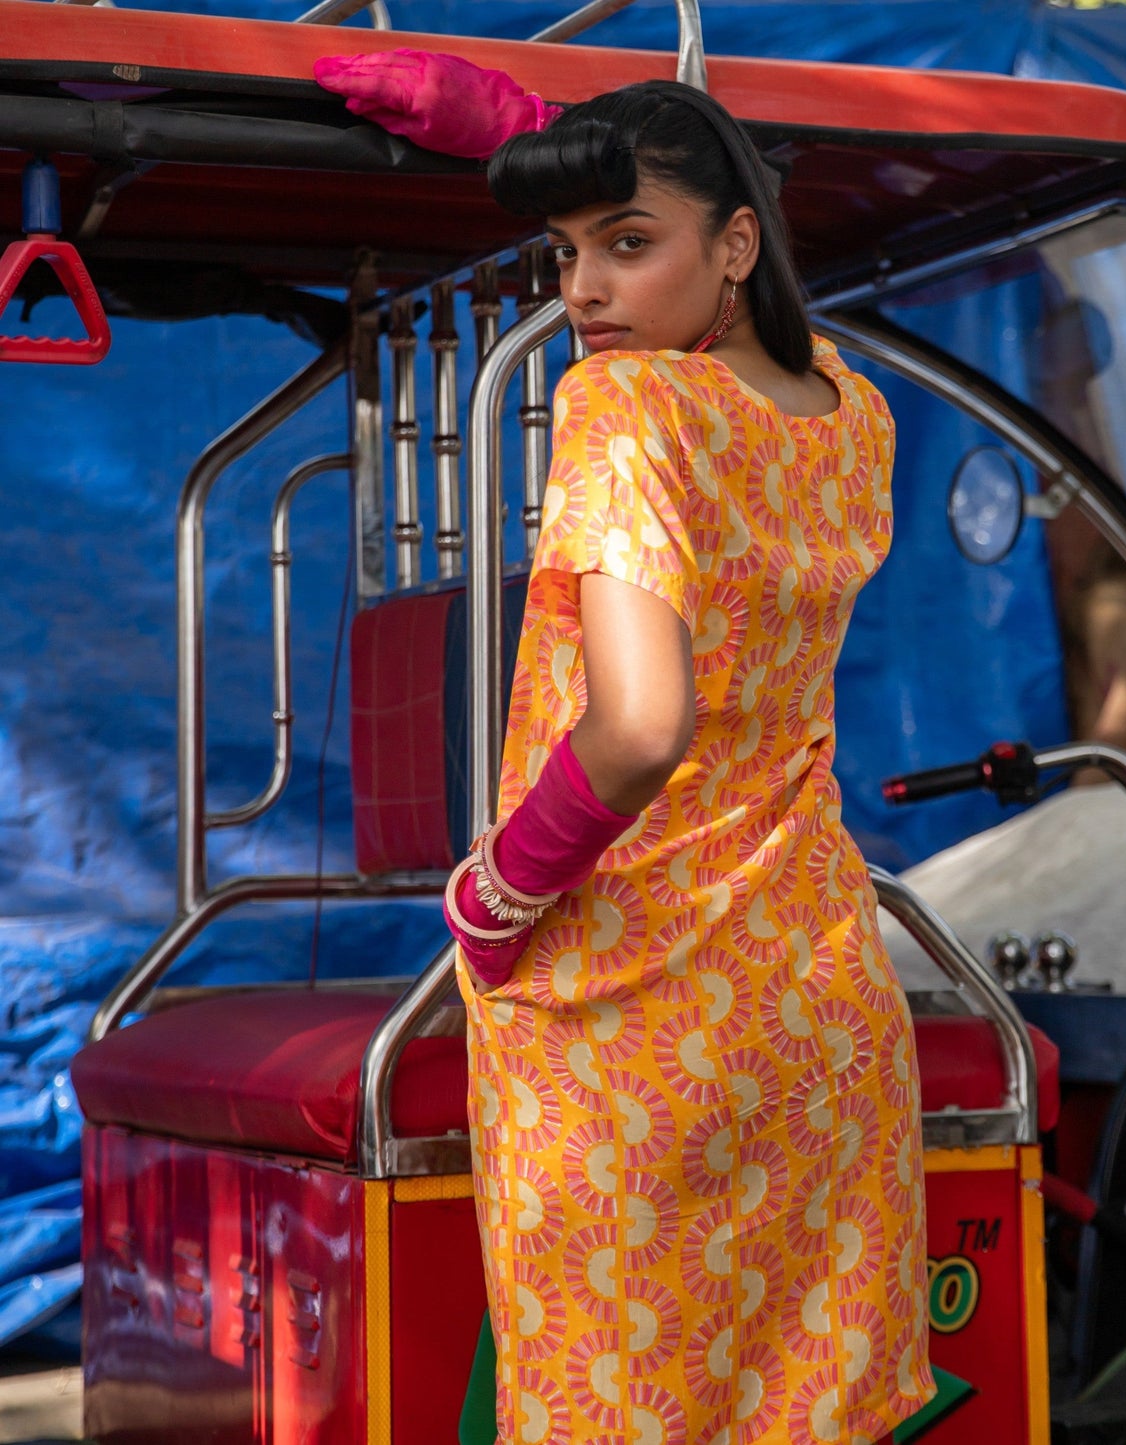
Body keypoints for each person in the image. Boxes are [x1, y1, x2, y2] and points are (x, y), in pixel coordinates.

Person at [318, 52, 934, 1445]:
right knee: (811, 1410)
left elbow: (642, 726)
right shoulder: (854, 417)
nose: (581, 292)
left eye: (625, 247)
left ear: (733, 244)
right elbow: (755, 298)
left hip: (627, 1008)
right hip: (815, 1003)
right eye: (565, 253)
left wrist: (496, 895)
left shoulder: (626, 409)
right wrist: (578, 150)